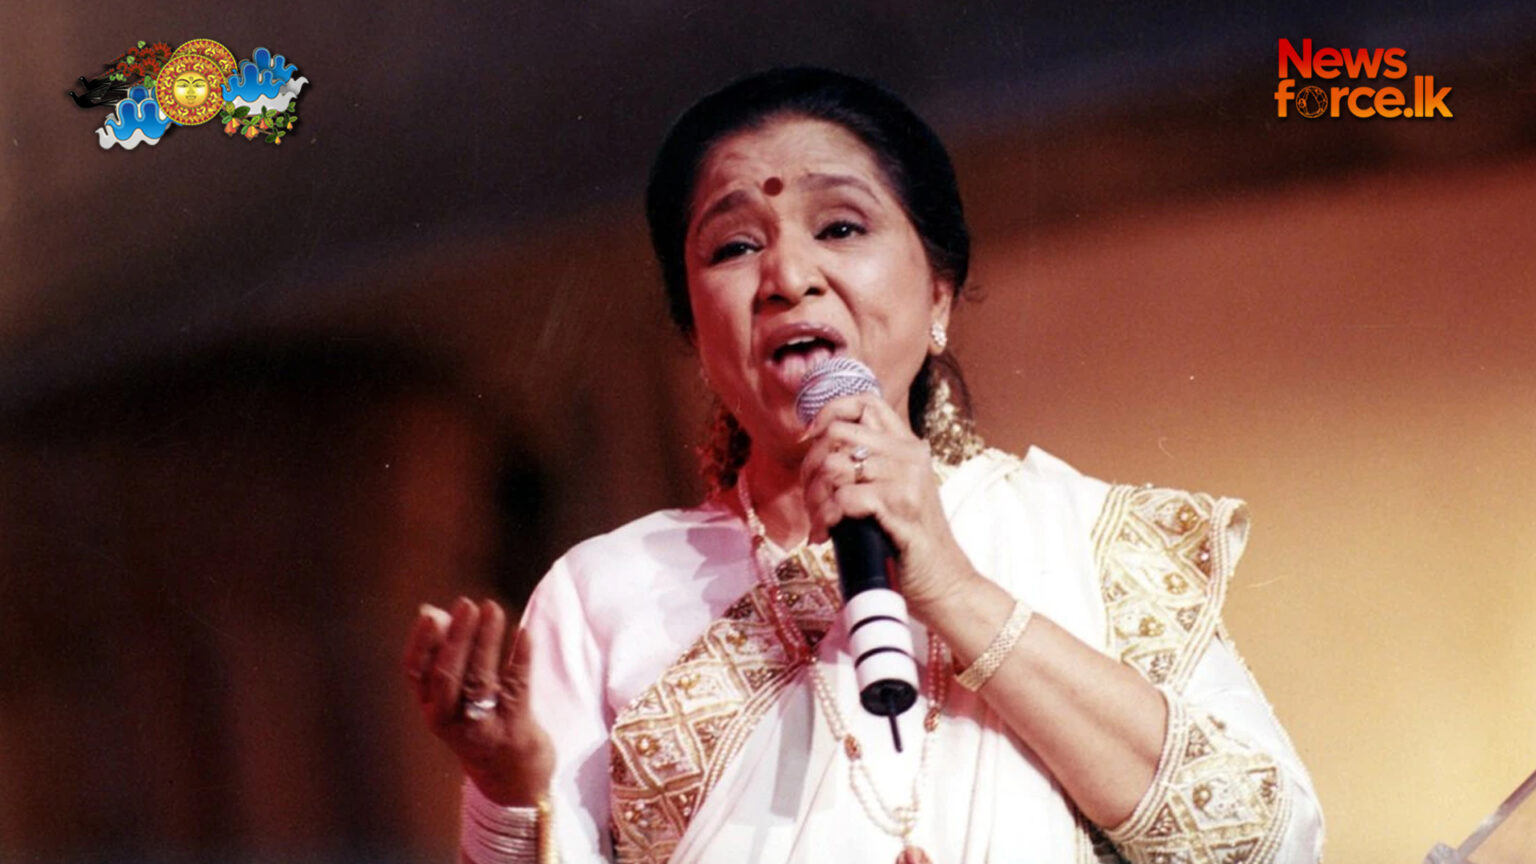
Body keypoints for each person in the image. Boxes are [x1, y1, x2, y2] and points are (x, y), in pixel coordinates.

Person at [402, 67, 1325, 864]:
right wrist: (507, 794)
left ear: (939, 294)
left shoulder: (1080, 536)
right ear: (697, 335)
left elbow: (1264, 840)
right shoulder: (606, 594)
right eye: (734, 247)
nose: (787, 276)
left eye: (840, 228)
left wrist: (954, 588)